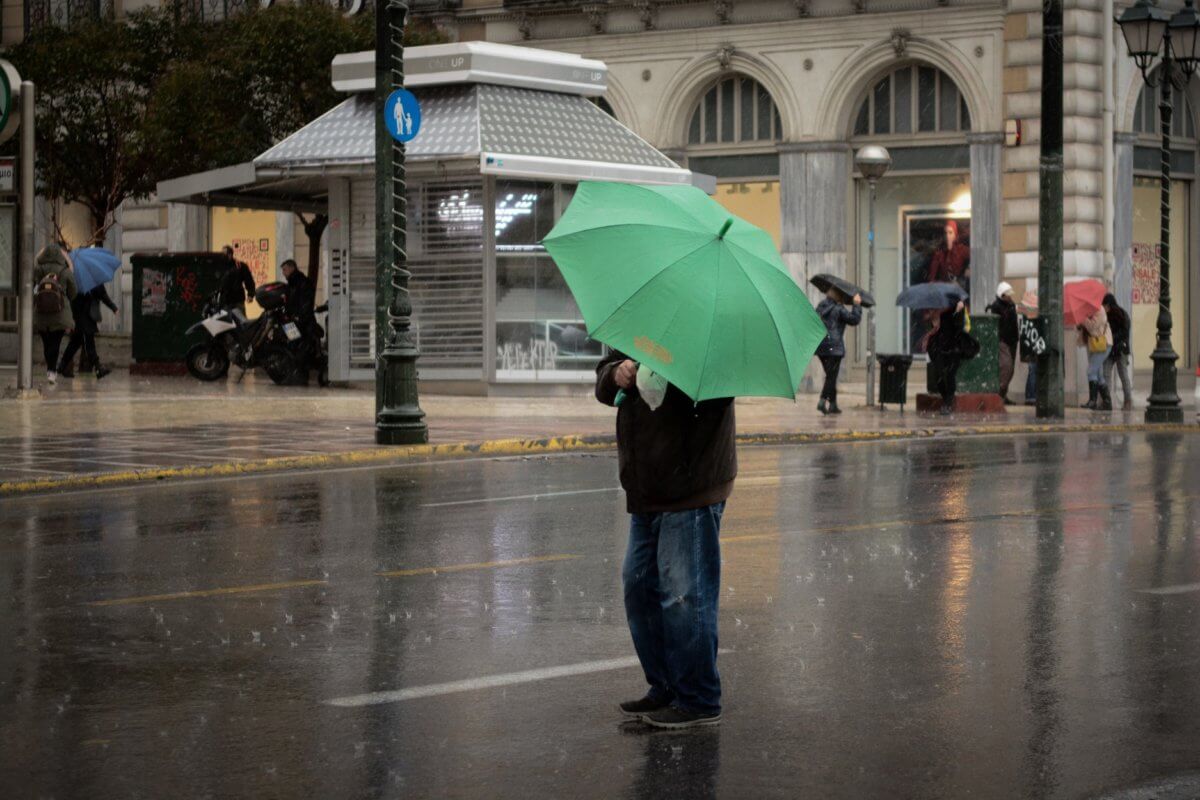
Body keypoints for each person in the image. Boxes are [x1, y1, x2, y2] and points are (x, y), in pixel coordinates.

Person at [596, 351, 735, 730]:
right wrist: (615, 374)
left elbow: (718, 396)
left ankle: (699, 698)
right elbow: (604, 383)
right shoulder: (645, 320)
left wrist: (668, 372)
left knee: (683, 595)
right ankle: (667, 687)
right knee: (639, 588)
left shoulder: (709, 330)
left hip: (690, 483)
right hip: (647, 486)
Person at [32, 245, 77, 385]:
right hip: (59, 315)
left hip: (41, 313)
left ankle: (50, 369)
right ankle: (52, 371)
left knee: (46, 343)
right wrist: (69, 262)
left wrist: (38, 255)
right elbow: (73, 293)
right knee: (55, 343)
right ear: (60, 256)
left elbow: (31, 270)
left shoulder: (39, 269)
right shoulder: (65, 271)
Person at [58, 278, 118, 381]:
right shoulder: (91, 278)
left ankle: (61, 366)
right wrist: (113, 307)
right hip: (85, 316)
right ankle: (98, 368)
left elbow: (101, 294)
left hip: (80, 315)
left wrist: (113, 307)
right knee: (89, 342)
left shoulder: (76, 278)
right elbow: (102, 294)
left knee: (75, 342)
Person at [814, 288, 862, 415]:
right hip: (834, 348)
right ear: (839, 297)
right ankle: (822, 401)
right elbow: (854, 320)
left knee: (831, 376)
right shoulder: (839, 309)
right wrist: (856, 305)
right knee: (831, 376)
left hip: (821, 347)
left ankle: (833, 404)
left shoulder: (820, 307)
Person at [927, 300, 978, 414]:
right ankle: (946, 399)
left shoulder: (958, 307)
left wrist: (958, 312)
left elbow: (961, 327)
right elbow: (934, 329)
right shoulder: (938, 309)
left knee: (950, 375)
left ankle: (948, 403)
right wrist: (934, 320)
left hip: (954, 347)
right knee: (938, 376)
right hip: (940, 347)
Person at [986, 282, 1019, 404]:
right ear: (1002, 295)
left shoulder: (1011, 305)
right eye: (1007, 295)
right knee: (1006, 366)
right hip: (1003, 340)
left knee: (1011, 370)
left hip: (1012, 340)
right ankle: (998, 394)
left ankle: (1003, 395)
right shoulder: (997, 306)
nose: (1010, 297)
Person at [1102, 293, 1133, 411]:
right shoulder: (1106, 316)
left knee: (1123, 375)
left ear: (1109, 305)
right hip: (1110, 349)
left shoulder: (1121, 315)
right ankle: (1107, 401)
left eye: (1104, 305)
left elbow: (1125, 333)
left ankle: (1128, 401)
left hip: (1120, 350)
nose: (1103, 308)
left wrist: (1112, 338)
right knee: (1106, 374)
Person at [1078, 305, 1112, 411]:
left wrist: (1083, 319)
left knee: (1091, 371)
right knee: (1099, 374)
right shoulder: (1089, 310)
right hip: (1094, 344)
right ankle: (1107, 402)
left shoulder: (1099, 310)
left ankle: (1092, 401)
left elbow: (1093, 327)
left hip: (1104, 344)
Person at [926, 220, 970, 286]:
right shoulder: (938, 253)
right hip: (944, 290)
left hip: (960, 289)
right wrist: (945, 285)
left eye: (950, 233)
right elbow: (931, 279)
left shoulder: (962, 250)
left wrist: (969, 268)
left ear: (955, 235)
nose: (947, 236)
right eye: (945, 233)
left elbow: (978, 255)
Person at [217, 245, 256, 314]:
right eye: (223, 254)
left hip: (238, 299)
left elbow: (249, 280)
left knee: (240, 321)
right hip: (224, 300)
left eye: (226, 254)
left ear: (231, 254)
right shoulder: (219, 266)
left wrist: (250, 294)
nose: (224, 256)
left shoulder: (240, 266)